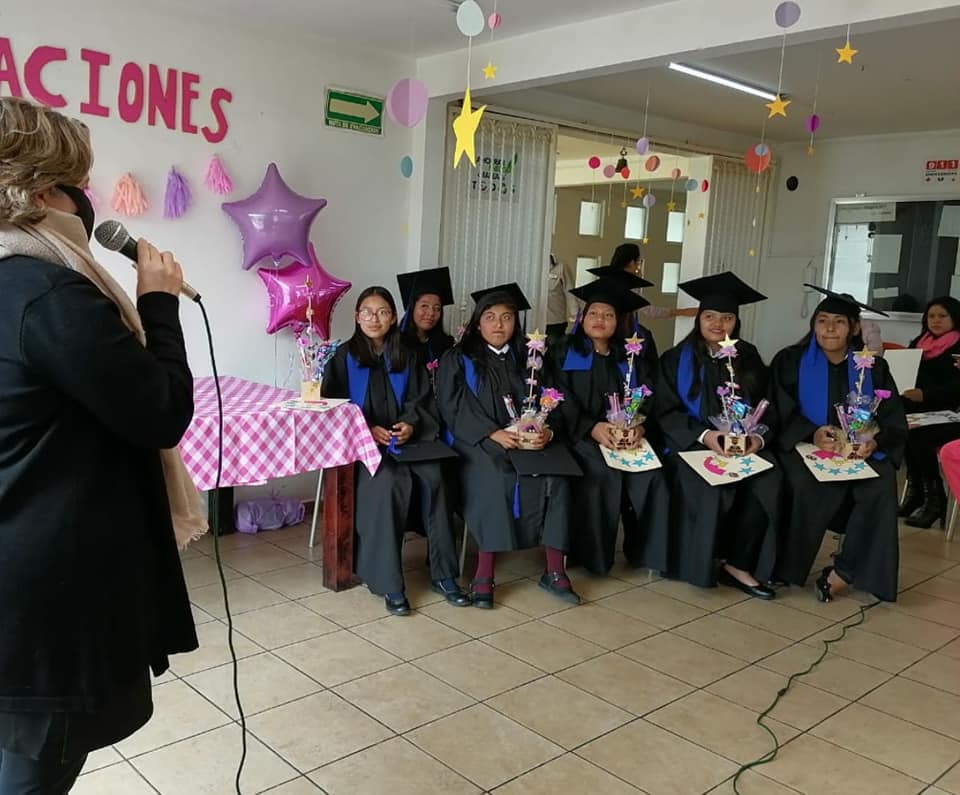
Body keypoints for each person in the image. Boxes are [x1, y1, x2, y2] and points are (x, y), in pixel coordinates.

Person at [0, 97, 203, 791]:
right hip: (43, 603)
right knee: (32, 773)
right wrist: (158, 304)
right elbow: (161, 410)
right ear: (33, 190)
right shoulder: (45, 294)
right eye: (67, 184)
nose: (80, 202)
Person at [322, 286, 469, 615]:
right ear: (357, 318)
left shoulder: (407, 355)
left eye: (383, 312)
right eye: (367, 312)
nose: (374, 319)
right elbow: (334, 407)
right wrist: (365, 428)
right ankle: (389, 582)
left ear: (393, 318)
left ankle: (444, 574)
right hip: (363, 448)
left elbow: (421, 401)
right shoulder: (344, 358)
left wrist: (411, 424)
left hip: (408, 442)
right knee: (387, 483)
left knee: (437, 478)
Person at [437, 282, 582, 608]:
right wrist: (492, 433)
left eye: (506, 317)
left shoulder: (532, 358)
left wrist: (548, 432)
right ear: (478, 323)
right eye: (490, 317)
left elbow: (555, 400)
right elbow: (453, 407)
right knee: (496, 475)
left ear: (516, 323)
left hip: (531, 442)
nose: (499, 324)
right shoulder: (459, 359)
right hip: (480, 443)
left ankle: (555, 570)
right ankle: (484, 574)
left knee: (557, 476)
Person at [770, 286, 906, 603]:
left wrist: (874, 441)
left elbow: (893, 418)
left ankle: (844, 572)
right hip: (806, 450)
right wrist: (811, 433)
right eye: (822, 321)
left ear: (854, 328)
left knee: (879, 484)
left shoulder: (873, 367)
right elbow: (777, 409)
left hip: (858, 453)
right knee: (807, 484)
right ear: (813, 325)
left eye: (839, 322)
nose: (830, 328)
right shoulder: (789, 360)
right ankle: (788, 567)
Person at [655, 272, 779, 599]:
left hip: (742, 446)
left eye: (727, 317)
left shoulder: (748, 357)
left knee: (769, 480)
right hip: (692, 445)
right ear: (699, 319)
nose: (717, 324)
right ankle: (695, 561)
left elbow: (770, 405)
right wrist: (706, 435)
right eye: (710, 316)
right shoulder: (675, 359)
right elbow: (664, 411)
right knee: (706, 483)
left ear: (736, 322)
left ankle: (739, 564)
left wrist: (757, 439)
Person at [551, 277, 669, 575]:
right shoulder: (564, 351)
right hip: (578, 436)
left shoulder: (629, 357)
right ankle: (593, 557)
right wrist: (592, 428)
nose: (600, 320)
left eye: (608, 315)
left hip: (626, 436)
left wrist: (638, 428)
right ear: (582, 317)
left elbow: (647, 396)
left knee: (654, 476)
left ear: (619, 321)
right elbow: (556, 396)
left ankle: (645, 552)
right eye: (593, 313)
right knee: (601, 473)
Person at [896, 297, 960, 527]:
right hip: (922, 412)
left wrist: (926, 394)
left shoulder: (958, 346)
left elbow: (956, 388)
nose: (936, 321)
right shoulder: (919, 343)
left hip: (952, 413)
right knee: (899, 426)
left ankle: (935, 500)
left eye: (942, 316)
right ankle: (916, 494)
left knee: (919, 434)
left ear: (954, 318)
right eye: (931, 316)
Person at [397, 266, 456, 370]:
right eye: (424, 306)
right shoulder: (396, 344)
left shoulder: (446, 345)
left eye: (437, 308)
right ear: (412, 308)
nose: (431, 313)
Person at [545, 253, 577, 345]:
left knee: (554, 353)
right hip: (533, 321)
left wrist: (575, 315)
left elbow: (569, 291)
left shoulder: (561, 267)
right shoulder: (530, 266)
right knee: (533, 355)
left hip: (555, 322)